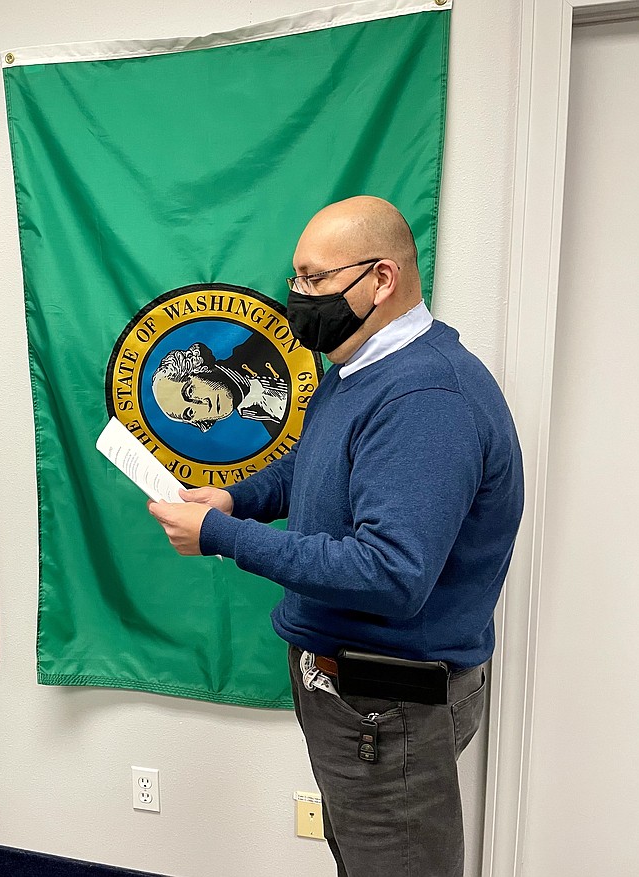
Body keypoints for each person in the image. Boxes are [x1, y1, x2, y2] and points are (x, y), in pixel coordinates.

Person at [148, 195, 524, 877]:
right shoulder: (361, 363)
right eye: (296, 277)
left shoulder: (426, 399)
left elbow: (390, 572)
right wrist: (238, 497)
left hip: (387, 703)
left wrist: (221, 535)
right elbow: (318, 464)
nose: (297, 296)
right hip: (355, 693)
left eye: (315, 280)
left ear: (381, 279)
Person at [151, 338, 288, 432]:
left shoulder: (265, 345)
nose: (202, 404)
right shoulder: (269, 426)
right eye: (190, 412)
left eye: (190, 391)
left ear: (198, 369)